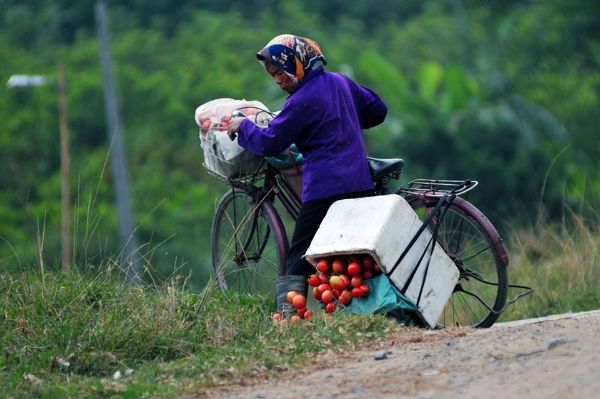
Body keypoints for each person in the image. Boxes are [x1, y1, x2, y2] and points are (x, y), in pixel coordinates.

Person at [227, 34, 387, 313]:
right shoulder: (340, 82)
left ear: (299, 63)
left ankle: (288, 319)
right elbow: (377, 109)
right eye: (273, 75)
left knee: (298, 256)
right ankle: (369, 308)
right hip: (361, 182)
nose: (278, 80)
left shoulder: (301, 101)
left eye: (281, 71)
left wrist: (243, 127)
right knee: (354, 252)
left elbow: (270, 142)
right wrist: (342, 117)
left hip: (326, 189)